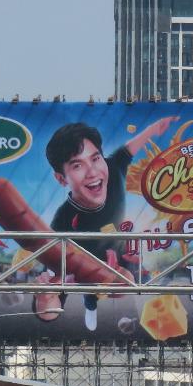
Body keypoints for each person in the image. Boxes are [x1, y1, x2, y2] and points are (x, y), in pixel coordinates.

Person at [34, 116, 178, 329]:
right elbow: (49, 309)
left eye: (95, 158)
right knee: (90, 291)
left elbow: (127, 150)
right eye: (77, 165)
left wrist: (152, 129)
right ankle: (90, 304)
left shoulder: (113, 168)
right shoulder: (62, 221)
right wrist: (46, 296)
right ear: (61, 179)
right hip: (89, 265)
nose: (93, 172)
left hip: (120, 249)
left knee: (140, 280)